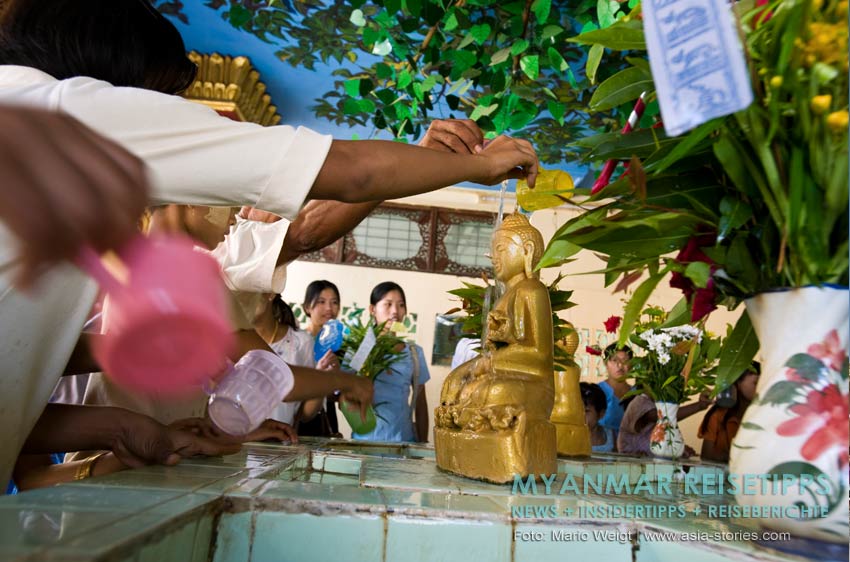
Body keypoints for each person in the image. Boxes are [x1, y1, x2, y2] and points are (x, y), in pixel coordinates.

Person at [0, 0, 538, 486]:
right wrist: (479, 166)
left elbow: (34, 388)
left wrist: (127, 428)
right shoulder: (82, 115)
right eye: (160, 98)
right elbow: (349, 174)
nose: (237, 210)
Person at [353, 282, 431, 443]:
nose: (395, 311)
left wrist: (423, 444)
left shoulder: (414, 352)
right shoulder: (361, 348)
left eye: (401, 305)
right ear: (372, 309)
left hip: (403, 441)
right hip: (364, 442)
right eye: (388, 304)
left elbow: (421, 403)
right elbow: (343, 393)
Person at [254, 294, 325, 426]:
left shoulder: (301, 343)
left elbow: (304, 414)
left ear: (270, 294)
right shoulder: (227, 340)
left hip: (281, 437)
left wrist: (324, 379)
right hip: (234, 438)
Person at [299, 280, 344, 437]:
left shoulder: (338, 346)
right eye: (321, 302)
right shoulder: (297, 342)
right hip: (299, 422)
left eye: (334, 302)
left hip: (326, 423)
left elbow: (337, 394)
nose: (329, 308)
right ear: (307, 307)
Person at [699, 363, 760, 463]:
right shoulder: (718, 415)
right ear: (738, 382)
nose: (760, 388)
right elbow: (707, 455)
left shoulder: (762, 415)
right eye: (756, 383)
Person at [617, 393, 711, 456]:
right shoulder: (640, 402)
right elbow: (663, 417)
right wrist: (699, 406)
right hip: (633, 465)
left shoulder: (659, 404)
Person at [597, 343, 633, 439]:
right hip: (604, 444)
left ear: (632, 364)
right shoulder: (597, 392)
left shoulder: (637, 393)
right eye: (614, 360)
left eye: (625, 360)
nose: (620, 365)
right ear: (606, 363)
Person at [580, 382, 616, 453]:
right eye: (576, 410)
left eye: (586, 411)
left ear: (601, 414)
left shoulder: (609, 435)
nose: (580, 416)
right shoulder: (568, 436)